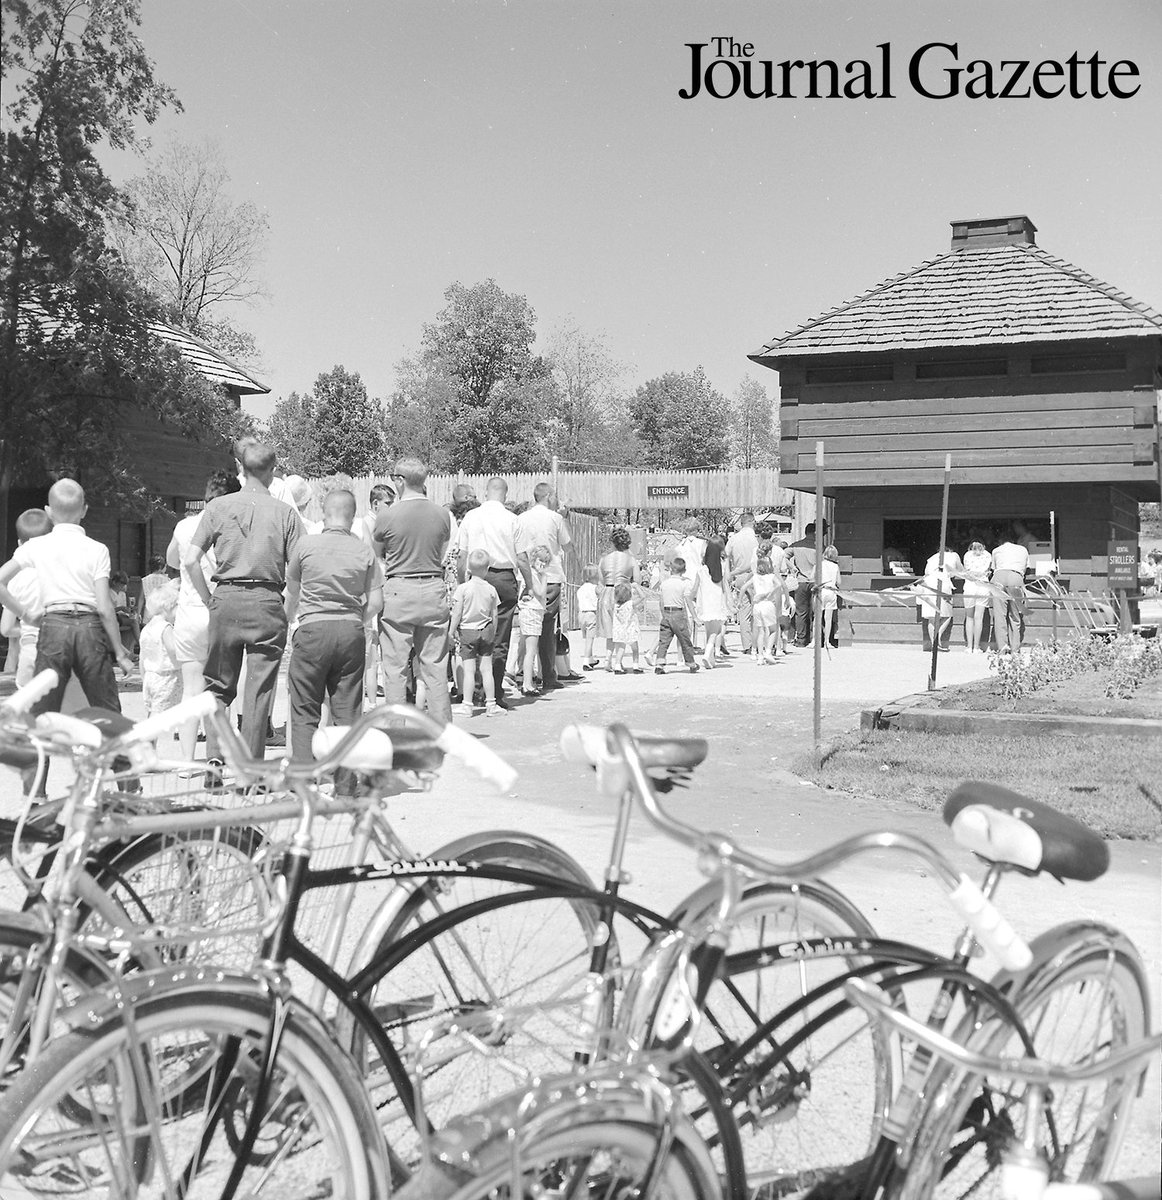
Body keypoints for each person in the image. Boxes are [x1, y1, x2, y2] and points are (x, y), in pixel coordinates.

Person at [184, 442, 302, 776]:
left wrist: (209, 598)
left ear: (241, 467)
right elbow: (298, 568)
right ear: (274, 469)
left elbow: (191, 559)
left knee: (218, 686)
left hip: (227, 598)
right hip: (267, 599)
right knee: (259, 688)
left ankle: (214, 757)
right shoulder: (285, 513)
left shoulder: (218, 508)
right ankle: (251, 769)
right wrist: (288, 609)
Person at [0, 479, 135, 721]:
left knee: (41, 713)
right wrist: (120, 652)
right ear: (84, 510)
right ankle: (113, 755)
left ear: (49, 512)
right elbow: (104, 608)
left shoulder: (37, 546)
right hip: (89, 626)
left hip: (53, 625)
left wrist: (27, 614)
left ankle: (41, 757)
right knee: (106, 710)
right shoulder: (97, 549)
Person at [285, 489, 383, 796]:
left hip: (312, 629)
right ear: (353, 517)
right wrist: (355, 620)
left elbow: (292, 595)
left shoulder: (305, 546)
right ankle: (344, 786)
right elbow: (377, 602)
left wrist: (289, 624)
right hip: (351, 632)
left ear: (323, 514)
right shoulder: (364, 551)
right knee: (347, 712)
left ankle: (302, 783)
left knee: (304, 710)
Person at [374, 457, 457, 724]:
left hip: (399, 587)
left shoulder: (387, 515)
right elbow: (442, 550)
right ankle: (443, 731)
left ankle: (396, 731)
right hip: (433, 586)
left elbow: (378, 555)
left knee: (395, 667)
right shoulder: (443, 514)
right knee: (434, 666)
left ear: (399, 480)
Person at [167, 470, 240, 763]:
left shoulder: (185, 526)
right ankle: (217, 754)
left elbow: (173, 559)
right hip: (221, 609)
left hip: (190, 611)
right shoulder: (234, 524)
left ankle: (185, 761)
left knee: (191, 690)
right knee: (222, 689)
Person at [456, 477, 529, 707]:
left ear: (485, 493)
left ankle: (473, 691)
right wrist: (529, 583)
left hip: (476, 577)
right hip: (504, 577)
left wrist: (462, 582)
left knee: (471, 631)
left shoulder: (471, 516)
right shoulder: (512, 519)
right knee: (498, 637)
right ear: (505, 495)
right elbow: (522, 557)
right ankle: (494, 693)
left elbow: (461, 555)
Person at [516, 482, 572, 691]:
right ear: (548, 496)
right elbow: (567, 544)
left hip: (526, 576)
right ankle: (547, 673)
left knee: (526, 628)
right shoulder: (556, 518)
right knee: (547, 626)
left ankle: (520, 671)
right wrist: (565, 516)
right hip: (550, 576)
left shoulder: (521, 518)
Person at [0, 509, 52, 686]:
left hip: (30, 650)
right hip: (63, 646)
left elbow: (6, 628)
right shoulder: (62, 570)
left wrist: (28, 622)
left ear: (19, 544)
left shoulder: (17, 578)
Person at [449, 549, 502, 717]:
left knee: (469, 670)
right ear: (487, 569)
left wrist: (451, 631)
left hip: (467, 631)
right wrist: (493, 631)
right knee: (487, 669)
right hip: (486, 630)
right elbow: (495, 614)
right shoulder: (491, 589)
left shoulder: (463, 589)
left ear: (468, 569)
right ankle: (491, 703)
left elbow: (457, 613)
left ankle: (467, 704)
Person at [138, 582, 182, 745]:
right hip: (167, 677)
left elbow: (143, 657)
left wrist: (144, 678)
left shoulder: (146, 629)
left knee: (152, 712)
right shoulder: (166, 627)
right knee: (160, 716)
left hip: (150, 676)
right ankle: (146, 747)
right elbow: (173, 650)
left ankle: (149, 747)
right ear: (168, 607)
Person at [597, 527, 640, 670]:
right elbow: (637, 580)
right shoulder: (631, 559)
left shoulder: (604, 559)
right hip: (622, 593)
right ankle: (616, 661)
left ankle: (607, 659)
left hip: (607, 592)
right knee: (621, 628)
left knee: (610, 629)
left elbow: (601, 581)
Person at [516, 545, 551, 696]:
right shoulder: (534, 575)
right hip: (531, 612)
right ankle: (527, 684)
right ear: (533, 559)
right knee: (530, 650)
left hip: (534, 612)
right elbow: (541, 593)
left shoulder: (530, 574)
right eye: (540, 560)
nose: (542, 564)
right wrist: (544, 577)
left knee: (529, 649)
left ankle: (527, 681)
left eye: (545, 562)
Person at [654, 556, 699, 674]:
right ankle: (691, 663)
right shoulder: (684, 583)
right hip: (678, 613)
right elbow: (688, 600)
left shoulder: (665, 584)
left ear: (670, 569)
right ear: (684, 571)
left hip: (666, 612)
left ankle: (659, 663)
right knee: (685, 639)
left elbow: (661, 601)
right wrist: (694, 616)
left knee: (664, 641)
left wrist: (663, 613)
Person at [788, 520, 828, 647]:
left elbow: (783, 556)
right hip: (816, 582)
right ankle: (817, 639)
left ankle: (801, 640)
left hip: (801, 581)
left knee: (801, 612)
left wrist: (792, 567)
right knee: (817, 612)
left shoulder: (796, 545)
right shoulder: (821, 547)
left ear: (806, 532)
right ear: (815, 532)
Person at [990, 529, 1030, 654]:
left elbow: (994, 568)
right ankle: (1015, 647)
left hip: (999, 577)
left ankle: (1002, 647)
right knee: (1015, 615)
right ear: (1014, 540)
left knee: (1000, 615)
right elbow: (1026, 568)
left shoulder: (996, 550)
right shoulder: (1023, 549)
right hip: (1015, 576)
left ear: (1000, 541)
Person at [692, 534, 729, 668]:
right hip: (717, 602)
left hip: (704, 603)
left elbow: (694, 589)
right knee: (715, 631)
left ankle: (711, 658)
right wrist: (729, 604)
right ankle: (708, 653)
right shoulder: (722, 568)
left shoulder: (701, 570)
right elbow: (725, 588)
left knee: (708, 631)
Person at [725, 512, 759, 654]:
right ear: (752, 522)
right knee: (757, 610)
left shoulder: (734, 539)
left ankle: (747, 645)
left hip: (739, 576)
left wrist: (729, 574)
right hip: (756, 576)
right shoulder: (756, 539)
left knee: (744, 612)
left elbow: (726, 556)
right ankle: (758, 643)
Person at [920, 545, 963, 652]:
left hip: (928, 584)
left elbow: (926, 573)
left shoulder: (932, 558)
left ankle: (934, 642)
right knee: (947, 615)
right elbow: (961, 571)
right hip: (943, 583)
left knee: (931, 618)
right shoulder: (954, 555)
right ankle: (937, 638)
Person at [746, 555, 782, 663]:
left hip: (757, 604)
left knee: (760, 630)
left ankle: (759, 655)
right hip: (768, 603)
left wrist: (752, 595)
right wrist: (770, 593)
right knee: (773, 629)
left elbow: (744, 587)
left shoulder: (755, 577)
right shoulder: (771, 576)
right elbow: (779, 585)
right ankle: (768, 651)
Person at [961, 540, 992, 653]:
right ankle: (976, 647)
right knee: (979, 618)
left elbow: (967, 569)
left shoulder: (967, 555)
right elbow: (987, 570)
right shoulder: (988, 555)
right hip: (983, 585)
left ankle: (969, 647)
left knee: (969, 617)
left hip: (970, 585)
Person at [609, 581, 643, 673]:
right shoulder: (630, 604)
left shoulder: (615, 606)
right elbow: (643, 597)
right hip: (630, 630)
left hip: (619, 630)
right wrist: (636, 587)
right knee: (635, 649)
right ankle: (635, 666)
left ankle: (617, 666)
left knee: (620, 649)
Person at [109, 570, 139, 656]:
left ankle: (139, 644)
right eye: (121, 584)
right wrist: (120, 608)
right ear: (115, 582)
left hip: (121, 617)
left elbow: (123, 608)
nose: (123, 586)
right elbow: (109, 611)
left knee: (135, 621)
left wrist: (128, 611)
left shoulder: (122, 594)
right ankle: (126, 653)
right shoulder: (109, 593)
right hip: (112, 618)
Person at [577, 564, 600, 669]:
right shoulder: (595, 588)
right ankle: (586, 661)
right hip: (591, 613)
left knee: (586, 637)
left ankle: (590, 658)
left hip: (581, 614)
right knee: (590, 639)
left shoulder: (580, 589)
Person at [820, 544, 842, 649]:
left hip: (821, 590)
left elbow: (813, 577)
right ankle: (827, 642)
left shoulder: (820, 564)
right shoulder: (835, 566)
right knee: (828, 619)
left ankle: (815, 641)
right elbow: (839, 582)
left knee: (817, 617)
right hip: (831, 591)